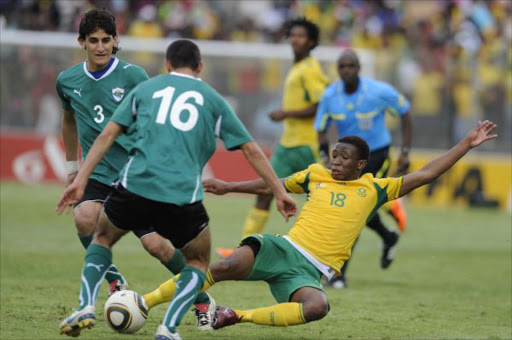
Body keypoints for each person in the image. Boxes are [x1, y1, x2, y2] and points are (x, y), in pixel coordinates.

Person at [142, 120, 497, 330]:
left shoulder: (375, 187)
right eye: (334, 155)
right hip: (283, 249)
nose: (336, 161)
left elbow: (426, 173)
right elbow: (274, 183)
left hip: (309, 273)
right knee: (223, 266)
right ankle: (143, 302)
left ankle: (235, 315)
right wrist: (230, 186)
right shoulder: (316, 175)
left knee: (317, 308)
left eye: (345, 157)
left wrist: (467, 143)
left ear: (361, 165)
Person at [56, 39, 297, 340]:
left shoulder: (146, 88)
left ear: (167, 65)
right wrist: (279, 191)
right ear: (200, 67)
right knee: (197, 260)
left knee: (102, 238)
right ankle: (168, 328)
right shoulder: (212, 99)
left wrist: (78, 179)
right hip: (181, 194)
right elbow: (251, 150)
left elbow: (107, 135)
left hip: (136, 185)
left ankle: (84, 305)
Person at [55, 9, 216, 334]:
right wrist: (74, 169)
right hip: (99, 174)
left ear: (116, 41)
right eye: (93, 41)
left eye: (106, 40)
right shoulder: (67, 81)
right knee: (85, 218)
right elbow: (69, 120)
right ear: (82, 42)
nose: (100, 47)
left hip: (136, 176)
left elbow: (157, 121)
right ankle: (113, 283)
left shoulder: (134, 76)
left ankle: (203, 301)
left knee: (157, 246)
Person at [215, 17, 328, 258]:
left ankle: (321, 250)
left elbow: (321, 105)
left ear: (312, 42)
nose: (296, 39)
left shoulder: (311, 69)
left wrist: (285, 113)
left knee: (320, 198)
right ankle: (241, 251)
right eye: (293, 35)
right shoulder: (297, 67)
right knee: (265, 190)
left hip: (307, 145)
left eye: (302, 36)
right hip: (288, 144)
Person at [315, 49, 413, 288]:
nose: (347, 70)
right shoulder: (330, 95)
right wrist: (324, 155)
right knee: (358, 208)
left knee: (355, 210)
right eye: (342, 67)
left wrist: (405, 152)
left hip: (377, 155)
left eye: (351, 66)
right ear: (338, 70)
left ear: (358, 68)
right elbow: (321, 126)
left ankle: (338, 275)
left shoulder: (378, 91)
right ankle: (388, 236)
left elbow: (405, 111)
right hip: (349, 159)